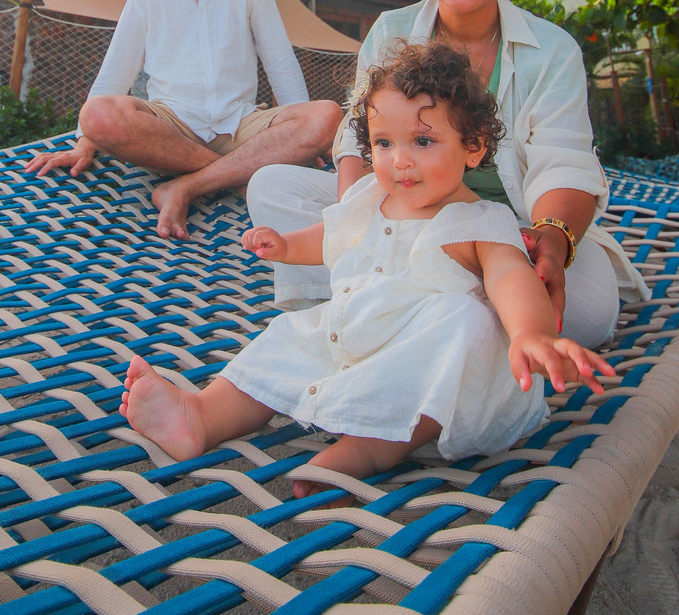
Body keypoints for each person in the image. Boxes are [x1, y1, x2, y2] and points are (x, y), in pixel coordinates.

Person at [122, 41, 615, 490]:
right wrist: (287, 245)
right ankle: (201, 415)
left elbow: (512, 276)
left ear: (473, 145)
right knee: (287, 337)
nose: (399, 161)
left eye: (422, 142)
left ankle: (360, 455)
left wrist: (531, 333)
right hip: (354, 334)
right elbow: (333, 236)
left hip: (426, 366)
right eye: (383, 143)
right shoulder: (369, 196)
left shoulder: (479, 220)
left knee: (469, 322)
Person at [247, 0, 648, 347]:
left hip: (500, 234)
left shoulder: (552, 49)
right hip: (399, 210)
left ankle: (400, 305)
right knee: (272, 184)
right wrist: (359, 216)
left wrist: (552, 238)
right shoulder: (391, 31)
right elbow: (357, 136)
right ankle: (401, 299)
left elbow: (565, 161)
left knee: (592, 314)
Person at [24, 0, 343, 238]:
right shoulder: (143, 2)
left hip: (242, 124)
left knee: (324, 116)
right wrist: (85, 142)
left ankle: (185, 186)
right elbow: (112, 80)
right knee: (97, 114)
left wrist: (310, 139)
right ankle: (230, 175)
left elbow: (280, 62)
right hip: (171, 131)